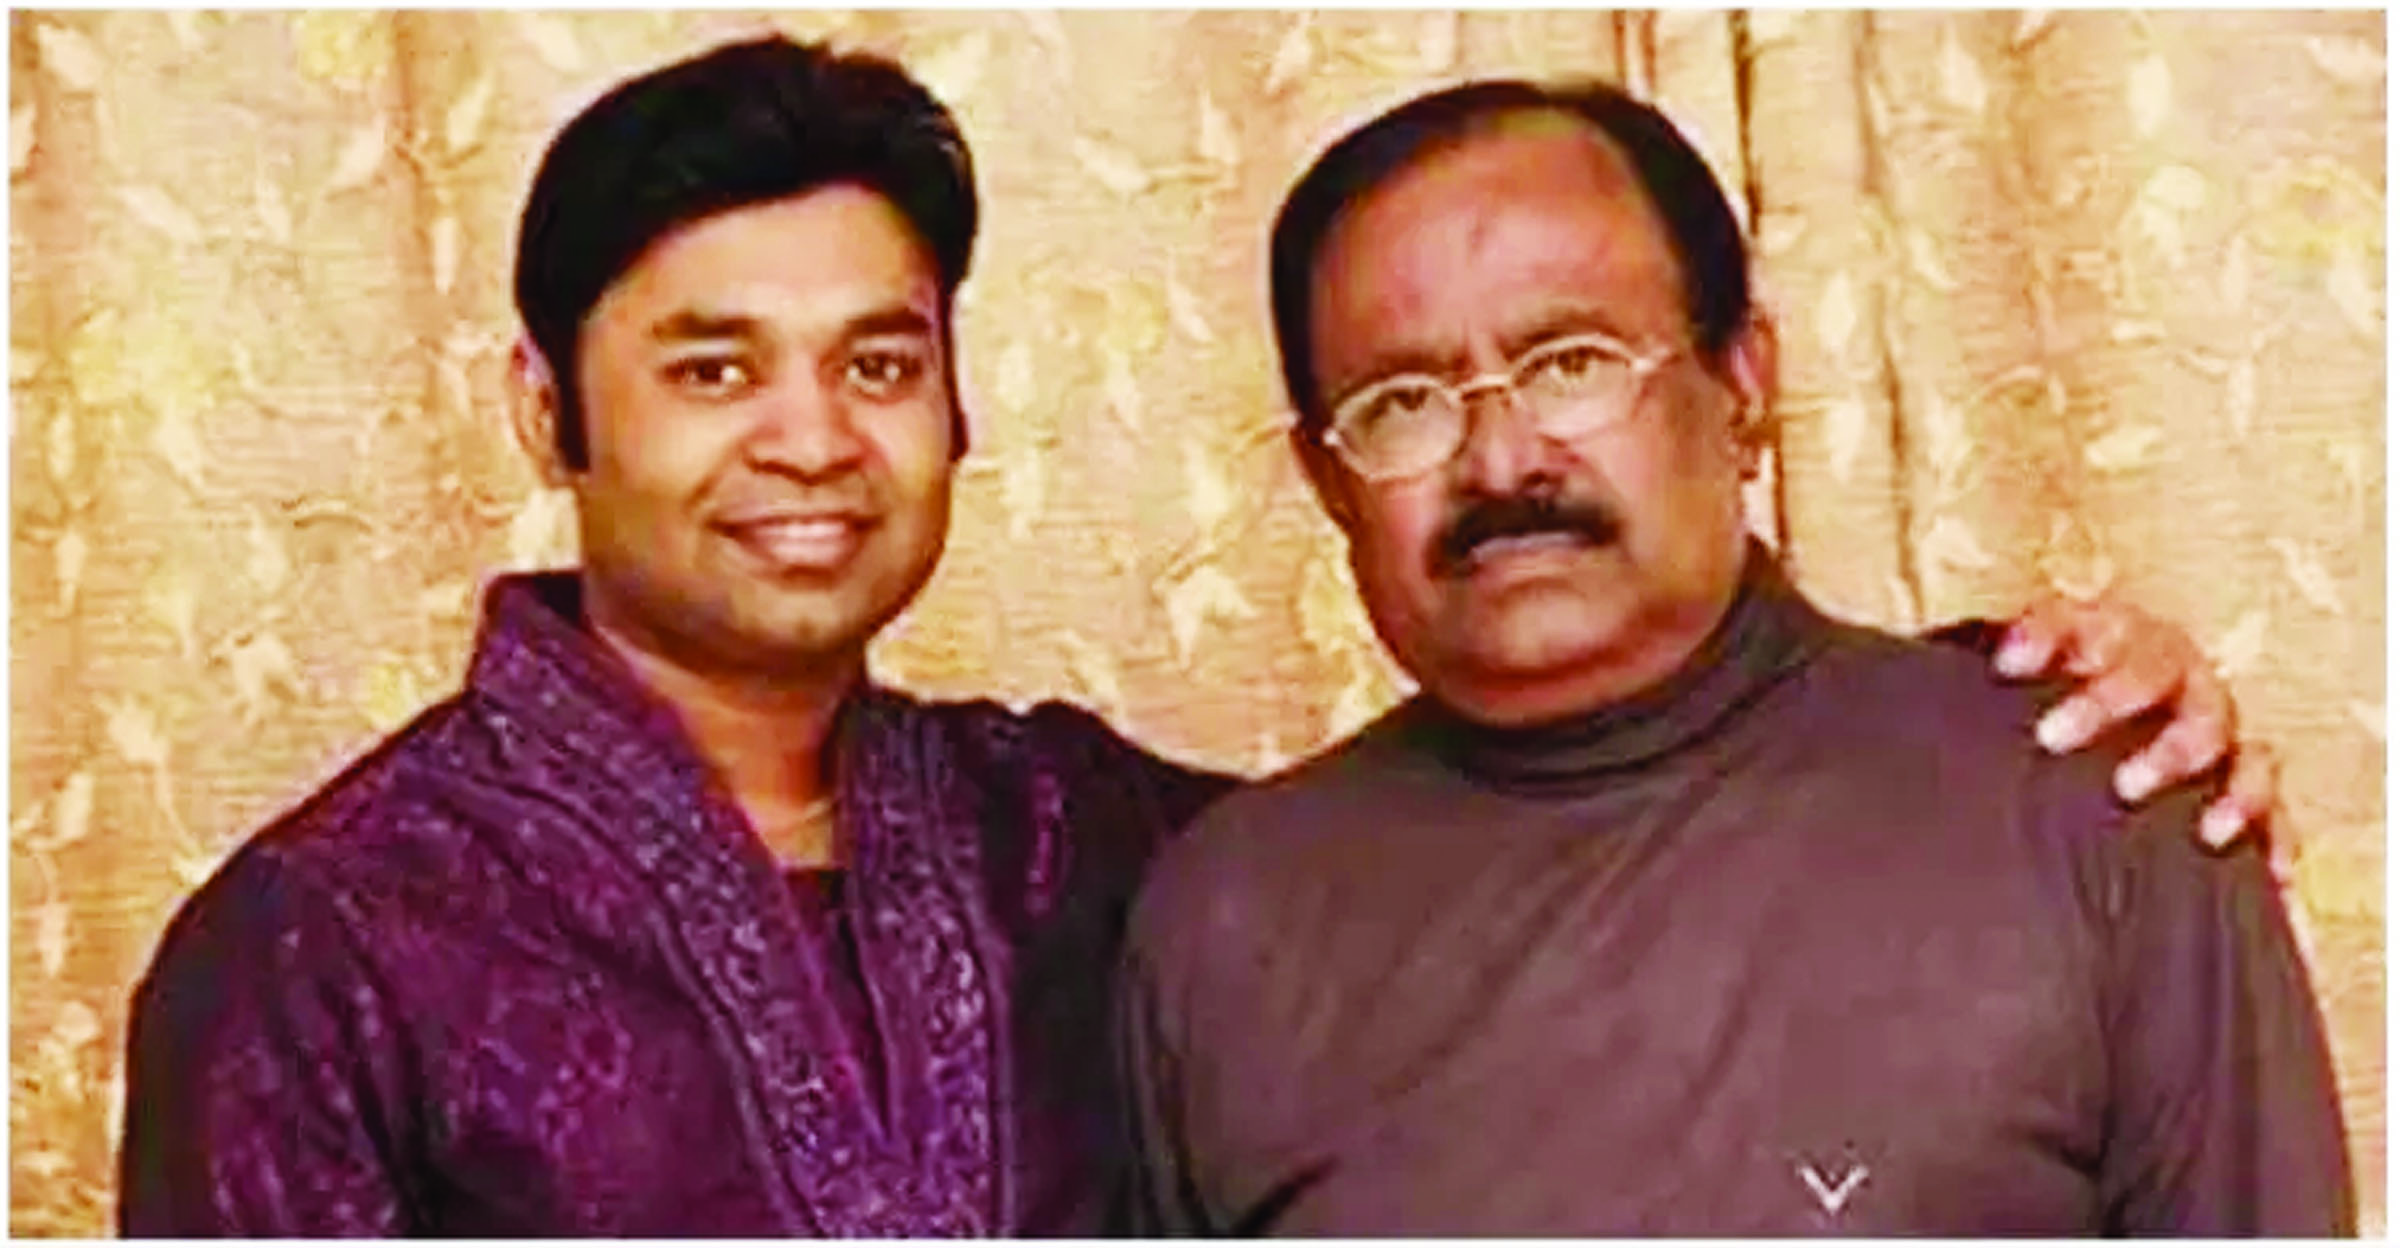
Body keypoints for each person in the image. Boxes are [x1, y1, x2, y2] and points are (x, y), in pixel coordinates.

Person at [118, 39, 2283, 1237]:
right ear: (545, 410)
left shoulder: (1074, 838)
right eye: (709, 369)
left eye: (878, 361)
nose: (810, 440)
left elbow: (1562, 801)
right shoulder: (322, 945)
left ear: (959, 405)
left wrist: (2013, 703)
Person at [1118, 80, 2350, 1235]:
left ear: (1743, 385)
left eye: (1572, 363)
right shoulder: (1225, 925)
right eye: (1402, 402)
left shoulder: (2099, 806)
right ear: (1328, 482)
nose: (1500, 460)